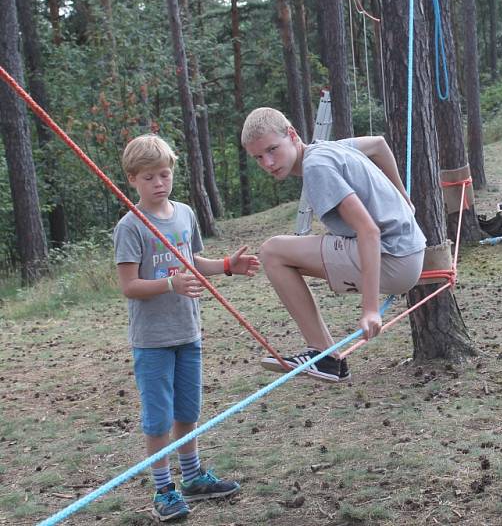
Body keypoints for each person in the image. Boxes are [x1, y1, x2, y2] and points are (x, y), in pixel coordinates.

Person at [113, 134, 259, 521]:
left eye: (164, 174)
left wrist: (228, 265)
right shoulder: (130, 227)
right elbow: (129, 286)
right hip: (153, 341)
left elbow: (193, 260)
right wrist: (169, 284)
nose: (159, 183)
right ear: (132, 179)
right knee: (158, 418)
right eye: (149, 177)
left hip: (188, 333)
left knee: (188, 411)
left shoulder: (185, 214)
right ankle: (164, 489)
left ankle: (193, 477)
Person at [241, 107, 426, 383]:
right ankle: (330, 360)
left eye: (272, 150)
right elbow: (378, 145)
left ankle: (323, 354)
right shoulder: (328, 149)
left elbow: (369, 231)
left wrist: (370, 309)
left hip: (395, 259)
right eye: (258, 157)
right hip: (410, 251)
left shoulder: (316, 167)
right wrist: (403, 196)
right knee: (279, 249)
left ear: (292, 135)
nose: (268, 163)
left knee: (272, 252)